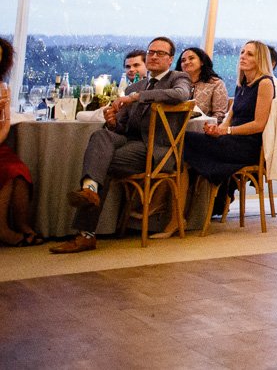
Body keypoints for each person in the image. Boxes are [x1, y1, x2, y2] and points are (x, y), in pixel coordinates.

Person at [51, 36, 193, 254]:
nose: (154, 56)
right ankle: (90, 190)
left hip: (156, 150)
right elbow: (123, 128)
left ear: (170, 59)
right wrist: (113, 122)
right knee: (101, 135)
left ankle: (86, 234)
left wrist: (137, 97)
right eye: (151, 52)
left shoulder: (178, 78)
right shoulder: (134, 87)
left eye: (160, 53)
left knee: (102, 162)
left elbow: (180, 95)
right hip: (130, 142)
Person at [185, 41, 277, 217]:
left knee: (186, 141)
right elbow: (230, 117)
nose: (243, 56)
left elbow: (259, 124)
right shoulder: (242, 84)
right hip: (233, 139)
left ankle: (208, 199)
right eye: (242, 52)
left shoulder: (265, 83)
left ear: (260, 59)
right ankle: (208, 200)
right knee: (187, 140)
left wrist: (227, 131)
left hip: (248, 145)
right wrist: (217, 129)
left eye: (250, 54)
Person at [0, 39, 43, 246]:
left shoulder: (2, 87)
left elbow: (5, 124)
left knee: (20, 171)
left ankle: (22, 224)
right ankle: (3, 230)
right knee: (7, 172)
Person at [180, 47, 230, 119]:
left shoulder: (215, 83)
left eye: (191, 58)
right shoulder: (178, 83)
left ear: (202, 62)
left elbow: (219, 114)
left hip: (205, 125)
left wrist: (207, 124)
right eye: (183, 60)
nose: (186, 62)